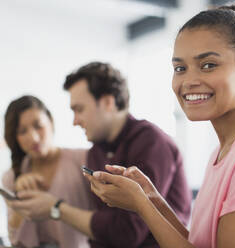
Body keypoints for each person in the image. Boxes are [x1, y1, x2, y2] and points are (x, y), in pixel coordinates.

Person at [85, 4, 235, 248]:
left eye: (208, 65)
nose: (189, 81)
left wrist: (142, 206)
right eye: (180, 68)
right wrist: (152, 200)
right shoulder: (226, 150)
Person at [9, 62, 192, 248]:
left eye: (79, 109)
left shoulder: (152, 143)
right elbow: (104, 228)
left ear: (107, 102)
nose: (75, 121)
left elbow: (128, 233)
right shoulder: (96, 152)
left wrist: (56, 208)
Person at [2, 95, 92, 248]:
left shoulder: (83, 159)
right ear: (15, 137)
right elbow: (15, 240)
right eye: (22, 131)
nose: (33, 137)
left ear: (51, 122)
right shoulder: (11, 177)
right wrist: (19, 198)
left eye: (38, 126)